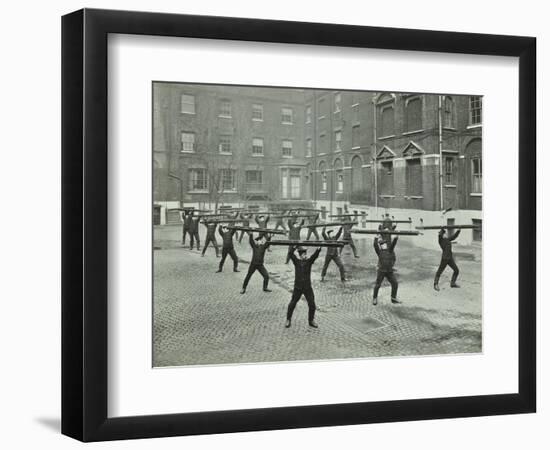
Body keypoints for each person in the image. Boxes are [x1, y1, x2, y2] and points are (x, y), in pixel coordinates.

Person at [285, 245, 322, 329]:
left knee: (312, 304)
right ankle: (288, 319)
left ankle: (311, 321)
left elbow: (314, 256)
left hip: (307, 288)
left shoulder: (309, 262)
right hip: (298, 287)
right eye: (303, 254)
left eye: (305, 254)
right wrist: (294, 247)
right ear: (300, 255)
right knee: (292, 304)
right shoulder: (296, 262)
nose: (305, 255)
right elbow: (290, 254)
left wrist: (318, 249)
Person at [372, 235, 401, 305]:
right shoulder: (379, 252)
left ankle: (393, 298)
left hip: (389, 271)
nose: (383, 246)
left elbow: (393, 244)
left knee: (395, 283)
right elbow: (375, 245)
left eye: (384, 244)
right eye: (381, 245)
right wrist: (376, 238)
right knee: (377, 285)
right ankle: (374, 298)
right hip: (381, 271)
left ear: (386, 245)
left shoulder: (390, 250)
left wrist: (395, 238)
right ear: (381, 246)